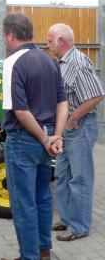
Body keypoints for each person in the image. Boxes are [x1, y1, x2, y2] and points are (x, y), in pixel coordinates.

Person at [0, 13, 68, 260]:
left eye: (3, 35)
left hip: (24, 140)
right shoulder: (49, 61)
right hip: (47, 138)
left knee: (22, 204)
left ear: (10, 35)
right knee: (42, 197)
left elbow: (20, 111)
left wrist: (43, 139)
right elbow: (63, 102)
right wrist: (56, 136)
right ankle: (43, 250)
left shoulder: (12, 62)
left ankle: (29, 256)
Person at [47, 23, 105, 241]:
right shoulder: (63, 63)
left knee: (79, 178)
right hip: (67, 130)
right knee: (62, 176)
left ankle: (79, 226)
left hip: (79, 128)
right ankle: (66, 219)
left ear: (62, 40)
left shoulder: (78, 62)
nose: (48, 44)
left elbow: (97, 95)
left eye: (51, 40)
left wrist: (72, 120)